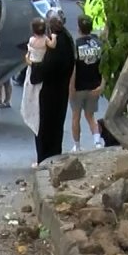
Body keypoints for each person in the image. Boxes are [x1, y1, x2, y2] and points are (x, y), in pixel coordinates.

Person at [33, 11, 75, 164]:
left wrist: (33, 66)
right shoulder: (67, 38)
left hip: (50, 91)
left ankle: (45, 159)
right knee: (56, 126)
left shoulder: (56, 42)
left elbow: (48, 67)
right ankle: (53, 156)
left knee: (45, 127)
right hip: (61, 89)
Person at [68, 15, 105, 151]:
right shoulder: (99, 44)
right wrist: (102, 84)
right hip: (94, 86)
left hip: (79, 86)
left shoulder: (76, 45)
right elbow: (104, 65)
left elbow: (74, 68)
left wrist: (71, 87)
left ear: (79, 29)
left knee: (75, 117)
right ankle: (97, 142)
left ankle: (77, 146)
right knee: (90, 116)